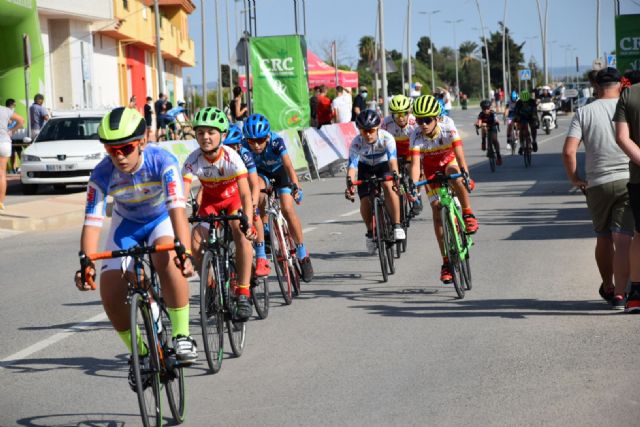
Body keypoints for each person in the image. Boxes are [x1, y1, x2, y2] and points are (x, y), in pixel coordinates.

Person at [74, 107, 198, 391]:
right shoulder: (102, 173)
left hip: (160, 220)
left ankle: (181, 335)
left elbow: (178, 211)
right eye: (111, 150)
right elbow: (92, 223)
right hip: (126, 225)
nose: (119, 156)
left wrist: (185, 251)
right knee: (109, 290)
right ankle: (140, 352)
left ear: (142, 141)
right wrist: (87, 264)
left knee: (165, 255)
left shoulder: (162, 161)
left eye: (126, 148)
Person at [563, 67, 632, 310]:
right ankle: (622, 295)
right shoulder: (629, 107)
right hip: (628, 179)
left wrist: (575, 179)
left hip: (597, 184)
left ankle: (608, 285)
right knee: (623, 238)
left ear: (596, 87)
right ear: (620, 85)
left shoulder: (583, 112)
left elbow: (569, 151)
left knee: (603, 237)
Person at [182, 107, 257, 320]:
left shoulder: (232, 157)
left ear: (222, 135)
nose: (205, 137)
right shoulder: (192, 160)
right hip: (210, 203)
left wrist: (248, 223)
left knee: (241, 235)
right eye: (200, 132)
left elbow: (245, 194)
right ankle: (212, 287)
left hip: (233, 200)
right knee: (195, 243)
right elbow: (181, 195)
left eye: (211, 132)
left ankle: (243, 292)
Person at [409, 95, 478, 283]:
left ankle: (468, 213)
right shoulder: (415, 135)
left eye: (427, 120)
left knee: (454, 173)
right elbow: (415, 165)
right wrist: (414, 187)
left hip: (449, 162)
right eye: (419, 120)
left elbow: (459, 153)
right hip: (430, 169)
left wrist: (466, 174)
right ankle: (446, 262)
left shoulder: (448, 125)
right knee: (437, 211)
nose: (422, 124)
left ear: (437, 118)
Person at [242, 113, 314, 282]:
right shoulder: (244, 145)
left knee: (287, 209)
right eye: (252, 141)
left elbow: (288, 165)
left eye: (260, 140)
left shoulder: (276, 141)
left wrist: (297, 185)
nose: (257, 145)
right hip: (261, 174)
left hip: (280, 173)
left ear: (267, 136)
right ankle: (265, 227)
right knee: (258, 193)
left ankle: (302, 253)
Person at [345, 109, 405, 254]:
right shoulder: (356, 143)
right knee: (365, 200)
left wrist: (395, 176)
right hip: (365, 167)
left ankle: (396, 225)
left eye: (371, 130)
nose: (368, 134)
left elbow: (392, 161)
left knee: (388, 185)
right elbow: (352, 167)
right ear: (359, 130)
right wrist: (350, 185)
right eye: (364, 131)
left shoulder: (387, 138)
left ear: (377, 127)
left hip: (383, 165)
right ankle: (370, 232)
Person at [223, 124, 271, 277]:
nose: (230, 149)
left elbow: (254, 183)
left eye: (233, 146)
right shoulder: (219, 155)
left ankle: (261, 256)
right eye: (227, 146)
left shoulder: (245, 154)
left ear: (238, 145)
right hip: (228, 190)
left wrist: (254, 204)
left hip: (246, 187)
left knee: (254, 214)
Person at [614, 75, 640, 313]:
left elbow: (622, 138)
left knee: (639, 234)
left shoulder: (629, 95)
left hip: (638, 178)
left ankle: (637, 295)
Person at [381, 94, 422, 215]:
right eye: (396, 114)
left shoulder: (414, 122)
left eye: (404, 113)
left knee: (416, 170)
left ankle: (417, 195)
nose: (400, 117)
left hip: (410, 150)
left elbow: (420, 143)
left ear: (408, 112)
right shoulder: (386, 123)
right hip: (394, 152)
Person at [0, 100, 25, 210]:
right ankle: (0, 202)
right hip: (5, 142)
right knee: (2, 174)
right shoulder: (5, 110)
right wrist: (11, 131)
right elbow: (21, 120)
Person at [475, 99, 502, 165]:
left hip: (493, 127)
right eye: (484, 109)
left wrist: (497, 122)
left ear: (490, 108)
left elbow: (496, 120)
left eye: (487, 108)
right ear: (482, 109)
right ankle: (483, 141)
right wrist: (478, 125)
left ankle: (498, 155)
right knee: (483, 126)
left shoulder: (493, 113)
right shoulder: (481, 114)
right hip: (486, 127)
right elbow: (479, 121)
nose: (486, 110)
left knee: (495, 140)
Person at [513, 89, 539, 153]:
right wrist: (516, 119)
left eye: (526, 102)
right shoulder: (518, 102)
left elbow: (535, 112)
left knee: (533, 127)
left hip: (531, 116)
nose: (525, 103)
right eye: (523, 102)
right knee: (521, 130)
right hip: (522, 117)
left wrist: (536, 120)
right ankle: (521, 146)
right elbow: (516, 112)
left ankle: (534, 141)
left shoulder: (532, 101)